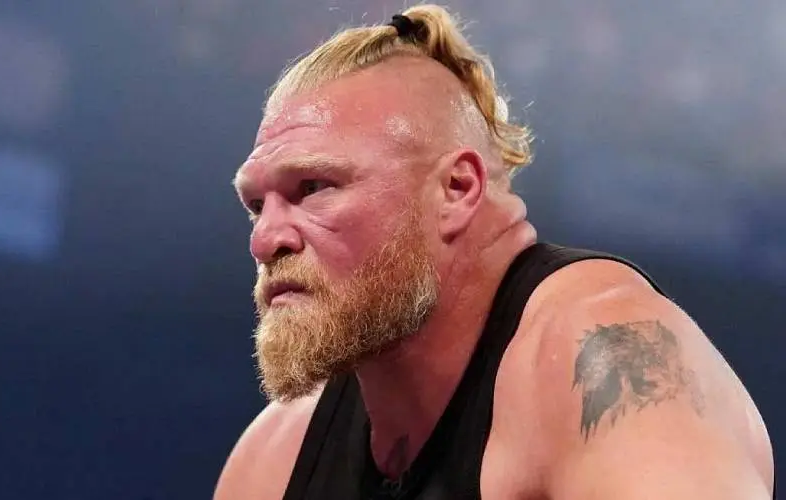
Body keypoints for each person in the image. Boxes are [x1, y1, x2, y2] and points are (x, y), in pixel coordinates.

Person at [214, 5, 774, 499]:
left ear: (457, 190)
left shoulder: (606, 363)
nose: (264, 240)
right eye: (256, 205)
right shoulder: (275, 459)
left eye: (313, 188)